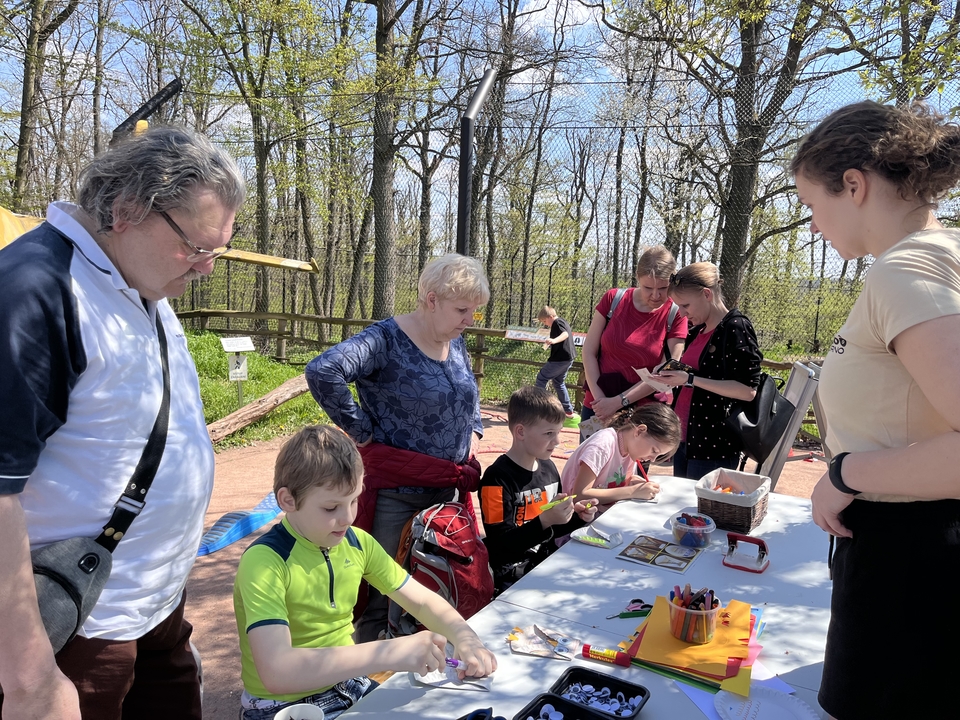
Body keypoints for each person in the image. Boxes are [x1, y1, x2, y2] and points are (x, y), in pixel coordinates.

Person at [0, 126, 245, 719]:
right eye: (196, 247)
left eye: (218, 250)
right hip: (77, 622)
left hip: (153, 604)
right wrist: (32, 679)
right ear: (128, 212)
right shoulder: (37, 290)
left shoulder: (141, 280)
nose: (207, 268)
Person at [790, 100, 960, 718]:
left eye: (812, 205)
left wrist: (844, 475)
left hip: (910, 560)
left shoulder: (906, 270)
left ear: (854, 186)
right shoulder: (936, 257)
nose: (813, 226)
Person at [234, 426, 498, 720]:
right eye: (331, 507)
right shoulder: (265, 562)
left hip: (348, 685)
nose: (348, 517)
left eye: (354, 500)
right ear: (288, 500)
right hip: (280, 706)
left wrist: (465, 639)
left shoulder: (357, 543)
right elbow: (277, 672)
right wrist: (387, 653)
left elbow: (422, 600)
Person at [306, 253, 489, 642]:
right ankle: (371, 675)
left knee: (440, 588)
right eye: (462, 310)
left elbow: (466, 393)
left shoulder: (454, 340)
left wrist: (471, 430)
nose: (470, 319)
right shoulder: (384, 340)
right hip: (396, 495)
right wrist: (359, 428)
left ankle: (426, 669)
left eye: (473, 310)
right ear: (432, 299)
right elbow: (323, 370)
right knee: (382, 597)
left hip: (446, 492)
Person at [479, 386, 597, 594]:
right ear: (521, 432)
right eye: (549, 433)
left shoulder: (549, 467)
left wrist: (577, 517)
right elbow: (499, 546)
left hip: (544, 564)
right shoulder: (496, 479)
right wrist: (545, 520)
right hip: (510, 577)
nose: (557, 441)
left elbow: (553, 529)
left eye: (558, 432)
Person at [652, 263, 762, 479]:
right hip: (686, 439)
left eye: (686, 305)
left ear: (706, 294)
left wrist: (690, 379)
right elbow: (697, 374)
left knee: (702, 501)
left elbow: (748, 390)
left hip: (714, 446)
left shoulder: (736, 327)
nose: (682, 313)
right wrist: (670, 373)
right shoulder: (698, 330)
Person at [580, 246, 689, 439]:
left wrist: (618, 402)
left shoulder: (677, 313)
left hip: (642, 414)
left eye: (663, 288)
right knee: (592, 457)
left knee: (633, 460)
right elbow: (589, 351)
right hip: (598, 406)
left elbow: (666, 371)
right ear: (638, 278)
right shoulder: (613, 299)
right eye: (648, 288)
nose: (655, 296)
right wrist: (601, 401)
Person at [560, 403, 681, 511]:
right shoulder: (602, 445)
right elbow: (579, 496)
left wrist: (631, 482)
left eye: (658, 455)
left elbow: (611, 481)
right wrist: (633, 491)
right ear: (639, 431)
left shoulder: (631, 449)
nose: (653, 459)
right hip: (574, 520)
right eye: (654, 451)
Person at [535, 306, 576, 418]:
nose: (545, 324)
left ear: (550, 317)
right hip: (567, 359)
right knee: (558, 382)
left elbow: (565, 334)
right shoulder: (562, 321)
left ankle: (540, 408)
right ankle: (568, 411)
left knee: (541, 378)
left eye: (545, 321)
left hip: (560, 359)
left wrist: (554, 340)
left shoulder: (557, 323)